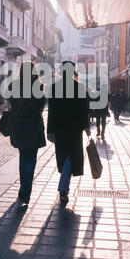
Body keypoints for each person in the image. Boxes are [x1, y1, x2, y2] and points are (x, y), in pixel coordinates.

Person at [47, 61, 90, 205]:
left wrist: (50, 131)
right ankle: (63, 187)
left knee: (64, 157)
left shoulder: (54, 88)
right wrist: (86, 127)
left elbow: (52, 112)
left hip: (60, 129)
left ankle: (64, 187)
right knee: (71, 157)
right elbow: (84, 110)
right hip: (75, 129)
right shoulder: (79, 87)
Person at [7, 61, 46, 206]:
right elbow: (41, 105)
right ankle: (24, 193)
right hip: (33, 126)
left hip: (19, 125)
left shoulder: (14, 85)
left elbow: (11, 103)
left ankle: (23, 191)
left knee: (23, 158)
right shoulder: (39, 86)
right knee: (31, 159)